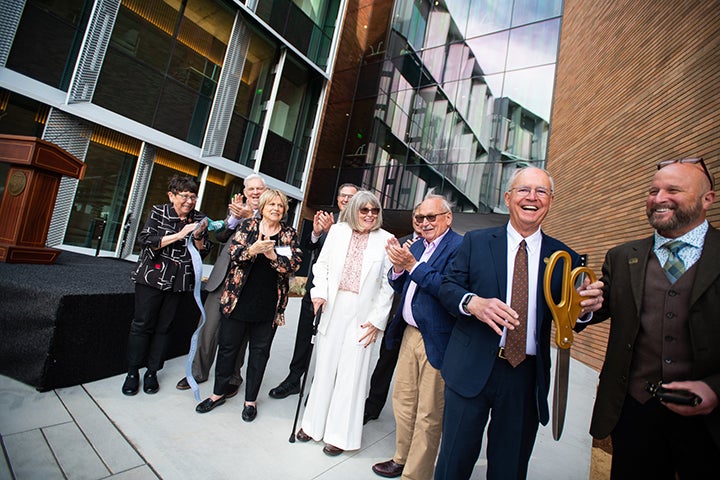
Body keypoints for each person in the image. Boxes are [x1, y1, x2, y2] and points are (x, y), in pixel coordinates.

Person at [434, 166, 604, 479]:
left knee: (509, 469)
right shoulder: (475, 242)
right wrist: (473, 302)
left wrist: (584, 309)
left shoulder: (564, 256)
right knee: (453, 463)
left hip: (524, 377)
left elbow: (571, 320)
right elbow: (447, 287)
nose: (532, 197)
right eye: (524, 190)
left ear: (550, 202)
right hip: (470, 368)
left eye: (541, 191)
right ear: (508, 198)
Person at [585, 157, 719, 478]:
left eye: (673, 190)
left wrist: (716, 388)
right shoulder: (621, 257)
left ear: (707, 199)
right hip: (634, 413)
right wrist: (579, 308)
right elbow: (591, 312)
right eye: (653, 190)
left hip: (710, 424)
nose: (658, 199)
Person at [295, 190, 395, 456]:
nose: (370, 215)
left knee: (352, 376)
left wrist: (377, 321)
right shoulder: (337, 232)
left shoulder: (387, 240)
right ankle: (312, 425)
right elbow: (322, 266)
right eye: (364, 210)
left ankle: (340, 436)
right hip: (333, 305)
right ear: (353, 211)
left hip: (364, 315)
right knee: (325, 367)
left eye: (374, 211)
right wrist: (318, 294)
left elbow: (389, 285)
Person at [371, 194, 463, 479]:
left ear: (448, 218)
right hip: (409, 333)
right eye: (420, 217)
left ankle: (417, 473)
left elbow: (447, 290)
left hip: (438, 337)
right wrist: (399, 267)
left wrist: (411, 265)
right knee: (403, 400)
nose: (424, 223)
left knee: (429, 411)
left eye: (431, 217)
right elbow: (399, 284)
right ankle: (401, 458)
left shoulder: (460, 247)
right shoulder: (418, 244)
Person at [195, 189, 302, 421]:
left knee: (259, 354)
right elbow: (233, 254)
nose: (276, 209)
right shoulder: (248, 227)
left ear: (284, 211)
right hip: (238, 302)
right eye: (271, 204)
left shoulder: (288, 234)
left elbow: (294, 263)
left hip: (268, 306)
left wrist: (274, 256)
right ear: (262, 207)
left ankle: (250, 401)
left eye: (280, 206)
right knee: (227, 349)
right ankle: (217, 394)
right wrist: (252, 250)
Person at [176, 174, 267, 394]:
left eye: (259, 189)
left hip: (246, 283)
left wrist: (248, 218)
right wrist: (234, 220)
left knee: (238, 335)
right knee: (208, 328)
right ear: (244, 192)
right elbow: (221, 237)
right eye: (250, 189)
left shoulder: (270, 214)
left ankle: (232, 378)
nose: (255, 192)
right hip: (222, 278)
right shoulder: (237, 209)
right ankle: (197, 372)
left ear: (265, 192)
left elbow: (261, 241)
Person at [123, 175, 211, 395]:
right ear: (172, 195)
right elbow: (146, 241)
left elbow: (203, 250)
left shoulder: (199, 218)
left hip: (179, 282)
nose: (189, 201)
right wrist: (179, 235)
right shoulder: (158, 212)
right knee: (142, 324)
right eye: (184, 196)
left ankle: (152, 372)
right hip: (151, 277)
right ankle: (132, 372)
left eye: (193, 196)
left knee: (164, 328)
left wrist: (198, 235)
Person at [269, 183, 358, 399]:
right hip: (316, 288)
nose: (346, 199)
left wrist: (331, 232)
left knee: (331, 342)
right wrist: (317, 233)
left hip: (341, 295)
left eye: (351, 197)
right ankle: (293, 380)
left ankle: (321, 389)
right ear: (337, 199)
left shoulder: (360, 225)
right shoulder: (327, 218)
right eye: (342, 196)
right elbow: (309, 248)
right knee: (303, 336)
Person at [364, 206, 423, 424]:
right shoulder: (398, 242)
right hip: (396, 316)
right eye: (417, 216)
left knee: (416, 376)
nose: (421, 221)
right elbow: (386, 279)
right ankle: (372, 407)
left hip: (421, 321)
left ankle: (413, 419)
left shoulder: (436, 246)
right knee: (384, 364)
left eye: (426, 216)